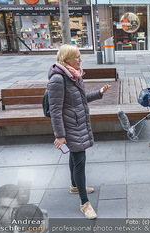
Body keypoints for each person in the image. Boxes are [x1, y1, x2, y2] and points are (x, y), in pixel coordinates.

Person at [47, 44, 111, 219]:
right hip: (70, 128)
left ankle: (74, 186)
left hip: (78, 125)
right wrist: (60, 135)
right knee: (80, 161)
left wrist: (98, 93)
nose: (80, 59)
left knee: (75, 158)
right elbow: (55, 110)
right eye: (77, 56)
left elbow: (80, 100)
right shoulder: (58, 79)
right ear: (66, 59)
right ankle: (85, 203)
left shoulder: (74, 75)